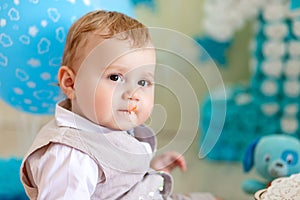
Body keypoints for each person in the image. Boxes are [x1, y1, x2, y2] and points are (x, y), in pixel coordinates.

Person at [20, 10, 218, 200]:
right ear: (71, 83)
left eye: (143, 82)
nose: (133, 93)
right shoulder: (73, 157)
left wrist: (154, 170)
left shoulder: (106, 124)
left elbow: (117, 184)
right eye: (115, 77)